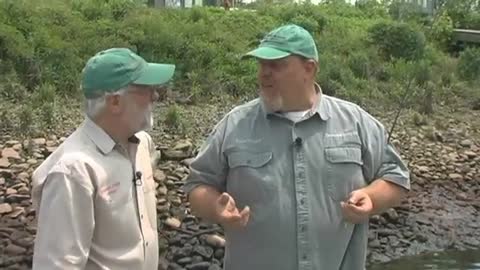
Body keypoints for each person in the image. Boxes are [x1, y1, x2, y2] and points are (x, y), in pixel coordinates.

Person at [183, 24, 410, 270]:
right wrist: (215, 208)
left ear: (309, 69)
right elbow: (197, 187)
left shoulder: (355, 121)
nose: (263, 73)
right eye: (261, 65)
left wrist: (372, 198)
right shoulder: (234, 125)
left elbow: (396, 178)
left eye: (276, 65)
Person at [31, 48, 175, 270]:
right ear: (115, 102)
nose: (155, 96)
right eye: (146, 89)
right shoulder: (73, 170)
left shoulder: (142, 144)